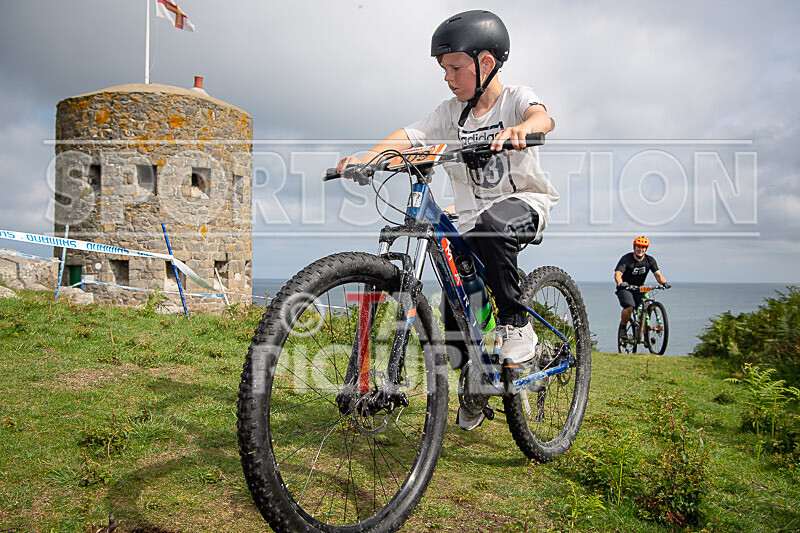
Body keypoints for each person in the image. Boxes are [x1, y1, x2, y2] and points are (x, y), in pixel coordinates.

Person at [336, 10, 557, 430]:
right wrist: (367, 157)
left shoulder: (513, 99)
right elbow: (408, 136)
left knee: (493, 225)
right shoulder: (450, 113)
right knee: (456, 303)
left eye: (455, 67)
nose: (448, 77)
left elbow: (542, 116)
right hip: (470, 219)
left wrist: (522, 130)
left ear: (486, 63)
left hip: (524, 203)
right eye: (444, 69)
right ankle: (474, 381)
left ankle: (517, 325)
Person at [614, 236, 670, 339]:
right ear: (634, 247)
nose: (641, 249)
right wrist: (620, 283)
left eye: (643, 247)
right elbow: (618, 274)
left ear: (646, 249)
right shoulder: (626, 259)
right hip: (625, 288)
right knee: (629, 307)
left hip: (639, 288)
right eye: (638, 247)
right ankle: (623, 328)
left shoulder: (650, 260)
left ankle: (645, 335)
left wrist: (664, 282)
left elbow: (657, 274)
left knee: (646, 307)